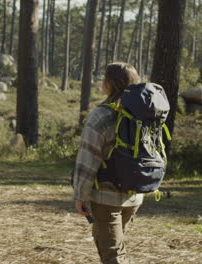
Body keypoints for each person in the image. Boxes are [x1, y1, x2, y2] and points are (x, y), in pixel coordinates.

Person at [72, 62, 142, 264]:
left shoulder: (102, 115)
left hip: (106, 197)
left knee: (113, 256)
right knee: (115, 250)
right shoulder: (143, 114)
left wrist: (80, 195)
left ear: (109, 84)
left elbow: (88, 159)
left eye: (104, 78)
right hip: (134, 195)